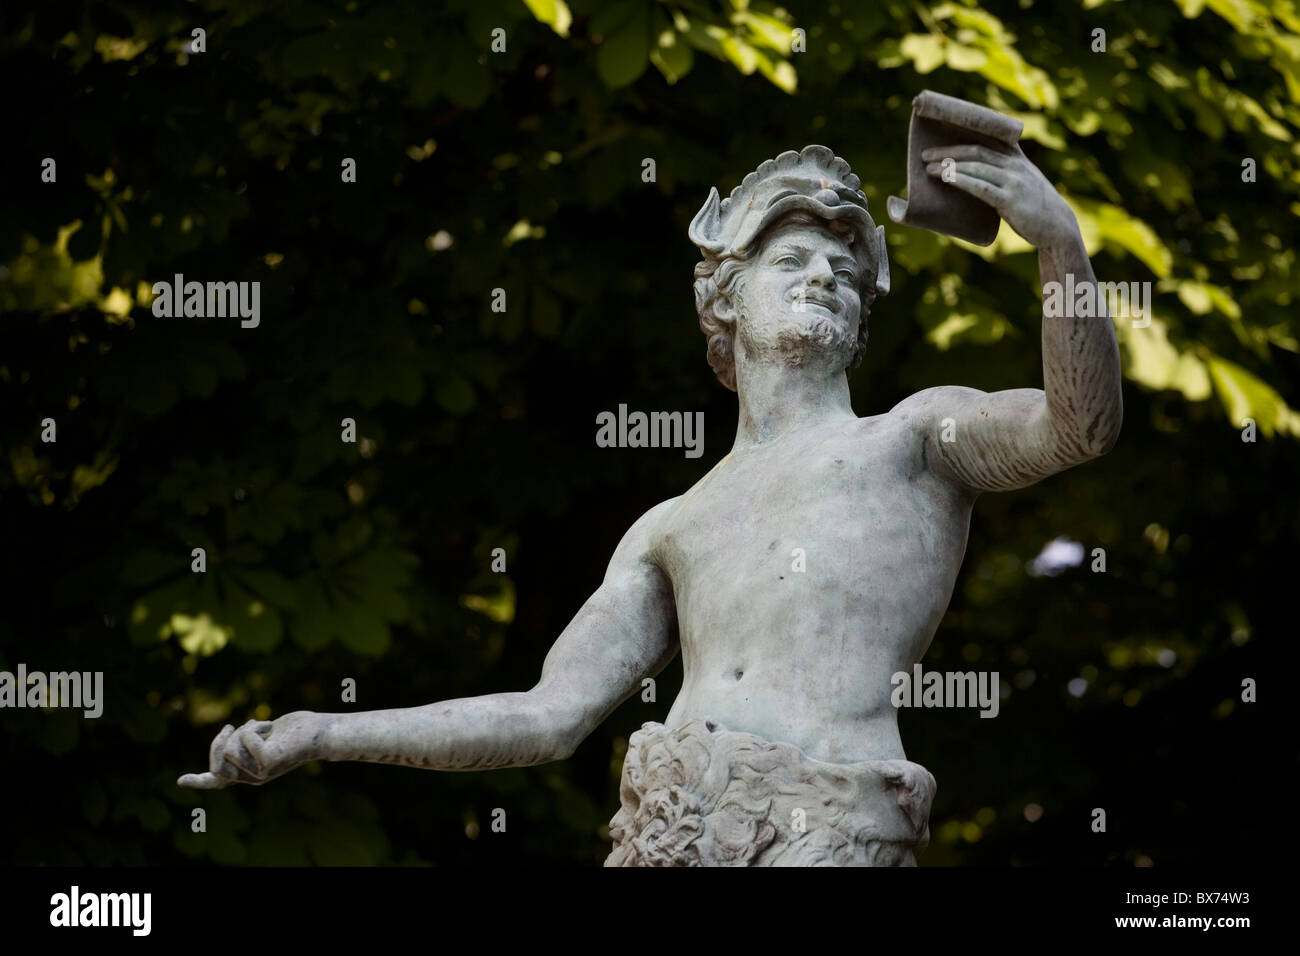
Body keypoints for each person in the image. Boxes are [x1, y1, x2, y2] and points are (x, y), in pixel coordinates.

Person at [180, 143, 1122, 867]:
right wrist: (323, 734)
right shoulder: (672, 524)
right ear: (726, 298)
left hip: (828, 825)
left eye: (842, 267)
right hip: (667, 825)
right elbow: (545, 717)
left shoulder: (914, 438)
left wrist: (1060, 247)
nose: (823, 276)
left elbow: (1077, 428)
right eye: (791, 257)